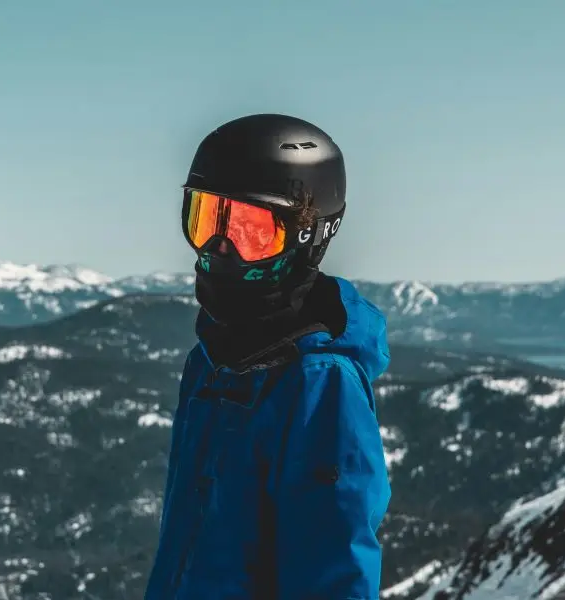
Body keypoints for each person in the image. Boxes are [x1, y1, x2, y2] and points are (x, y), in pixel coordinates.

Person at [144, 114, 391, 599]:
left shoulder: (320, 384)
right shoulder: (211, 360)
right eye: (206, 219)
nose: (220, 248)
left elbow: (336, 574)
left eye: (250, 231)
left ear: (306, 237)